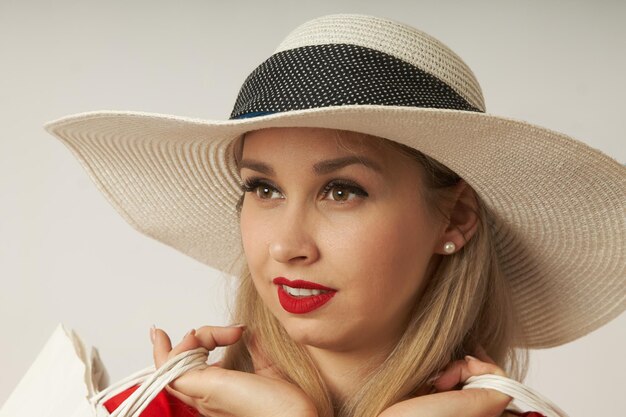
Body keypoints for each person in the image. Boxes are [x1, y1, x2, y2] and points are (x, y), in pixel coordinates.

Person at [44, 13, 625, 417]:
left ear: (455, 219)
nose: (286, 246)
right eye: (264, 189)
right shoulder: (145, 413)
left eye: (341, 191)